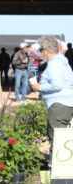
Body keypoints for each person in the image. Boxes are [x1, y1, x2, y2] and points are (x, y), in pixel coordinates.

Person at [31, 36, 73, 169]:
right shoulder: (64, 63)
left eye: (41, 50)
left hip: (58, 104)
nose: (41, 52)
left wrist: (39, 87)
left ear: (47, 49)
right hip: (67, 103)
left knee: (57, 138)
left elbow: (56, 85)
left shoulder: (54, 64)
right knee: (64, 138)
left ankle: (57, 172)